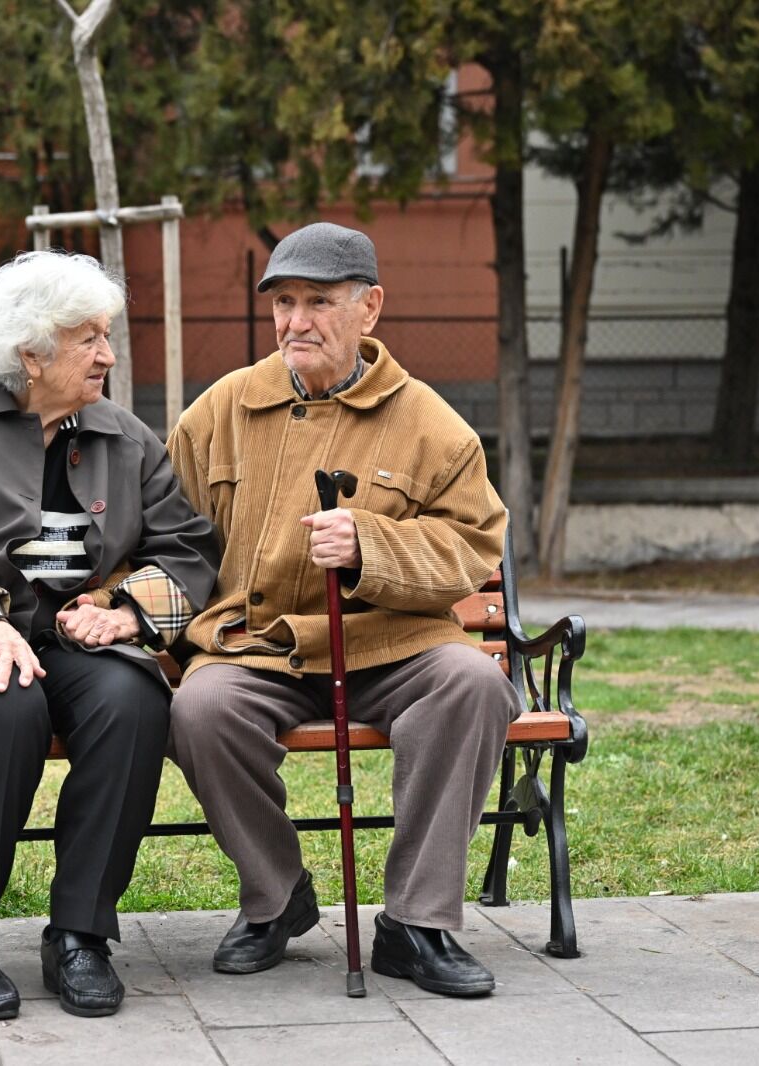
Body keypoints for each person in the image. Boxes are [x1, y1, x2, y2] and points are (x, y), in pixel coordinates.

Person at [164, 222, 521, 997]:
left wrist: (372, 547)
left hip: (391, 644)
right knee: (200, 708)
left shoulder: (430, 423)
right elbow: (164, 532)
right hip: (258, 645)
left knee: (473, 682)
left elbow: (473, 547)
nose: (296, 322)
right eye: (284, 302)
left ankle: (416, 925)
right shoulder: (220, 410)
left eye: (319, 302)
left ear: (370, 309)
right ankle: (277, 897)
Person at [0, 250, 219, 1021]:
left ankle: (80, 936)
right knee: (4, 703)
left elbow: (188, 549)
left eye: (106, 334)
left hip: (76, 641)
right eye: (88, 337)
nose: (107, 353)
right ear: (30, 354)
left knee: (134, 700)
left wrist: (127, 614)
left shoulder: (123, 437)